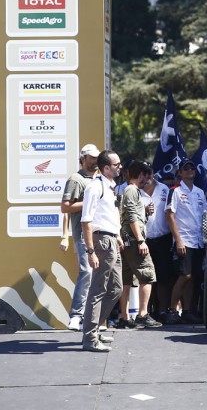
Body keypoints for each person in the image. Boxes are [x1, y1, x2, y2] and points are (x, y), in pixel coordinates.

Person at [80, 149, 124, 352]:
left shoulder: (109, 187)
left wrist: (118, 236)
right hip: (102, 242)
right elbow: (86, 221)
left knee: (116, 289)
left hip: (112, 240)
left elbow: (108, 215)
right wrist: (90, 251)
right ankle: (89, 338)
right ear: (106, 168)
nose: (120, 167)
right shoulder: (94, 187)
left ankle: (95, 329)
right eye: (117, 165)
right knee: (97, 291)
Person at [60, 143, 100, 332]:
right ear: (83, 158)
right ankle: (76, 316)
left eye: (97, 157)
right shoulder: (76, 179)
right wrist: (88, 202)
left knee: (100, 276)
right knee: (87, 272)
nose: (95, 160)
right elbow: (65, 207)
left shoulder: (101, 179)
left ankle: (92, 319)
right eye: (91, 157)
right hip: (83, 233)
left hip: (102, 233)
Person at [119, 160, 162, 329]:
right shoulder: (131, 190)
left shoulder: (131, 191)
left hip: (128, 241)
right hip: (134, 242)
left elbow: (130, 214)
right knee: (148, 275)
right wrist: (141, 240)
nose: (148, 180)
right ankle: (142, 314)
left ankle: (125, 318)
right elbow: (130, 216)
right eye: (146, 176)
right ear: (141, 175)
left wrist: (144, 212)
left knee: (126, 280)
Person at [165, 159, 207, 324]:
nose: (190, 169)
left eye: (192, 167)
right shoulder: (174, 191)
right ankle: (172, 310)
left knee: (193, 276)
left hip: (198, 240)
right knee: (185, 275)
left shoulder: (199, 192)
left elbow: (204, 215)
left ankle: (188, 310)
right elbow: (169, 215)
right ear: (180, 173)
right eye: (186, 168)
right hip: (184, 239)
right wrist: (178, 240)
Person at [140, 172, 173, 321]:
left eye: (148, 174)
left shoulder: (165, 189)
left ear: (152, 174)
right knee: (146, 277)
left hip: (163, 239)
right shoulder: (135, 190)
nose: (146, 177)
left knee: (164, 277)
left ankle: (162, 311)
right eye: (143, 174)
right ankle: (145, 312)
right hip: (143, 240)